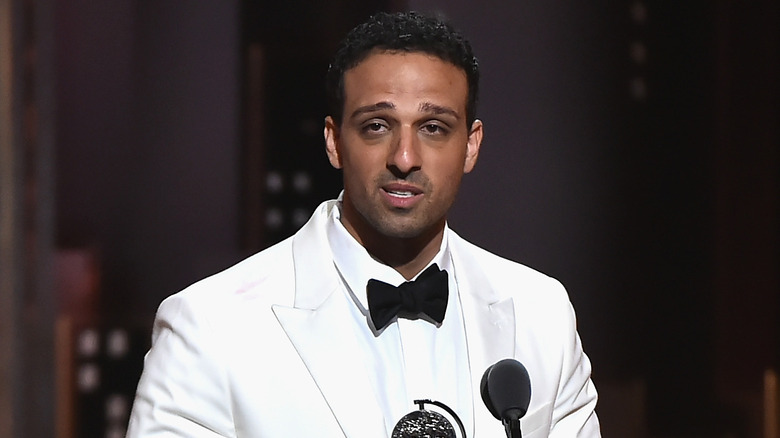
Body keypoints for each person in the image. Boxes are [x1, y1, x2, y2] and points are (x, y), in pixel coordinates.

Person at [127, 11, 600, 438]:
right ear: (333, 141)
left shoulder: (543, 316)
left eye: (433, 128)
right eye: (377, 125)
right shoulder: (211, 328)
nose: (405, 158)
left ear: (472, 145)